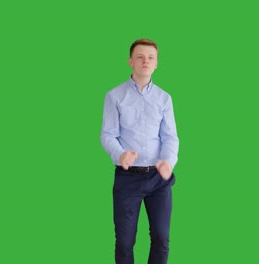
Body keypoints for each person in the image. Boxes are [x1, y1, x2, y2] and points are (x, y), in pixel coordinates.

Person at [101, 38, 180, 264]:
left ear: (156, 63)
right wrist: (120, 154)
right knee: (125, 242)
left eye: (151, 58)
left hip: (159, 177)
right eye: (140, 57)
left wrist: (168, 161)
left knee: (161, 238)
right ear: (130, 61)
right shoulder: (114, 96)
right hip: (128, 177)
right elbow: (107, 134)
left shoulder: (165, 98)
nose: (146, 61)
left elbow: (170, 136)